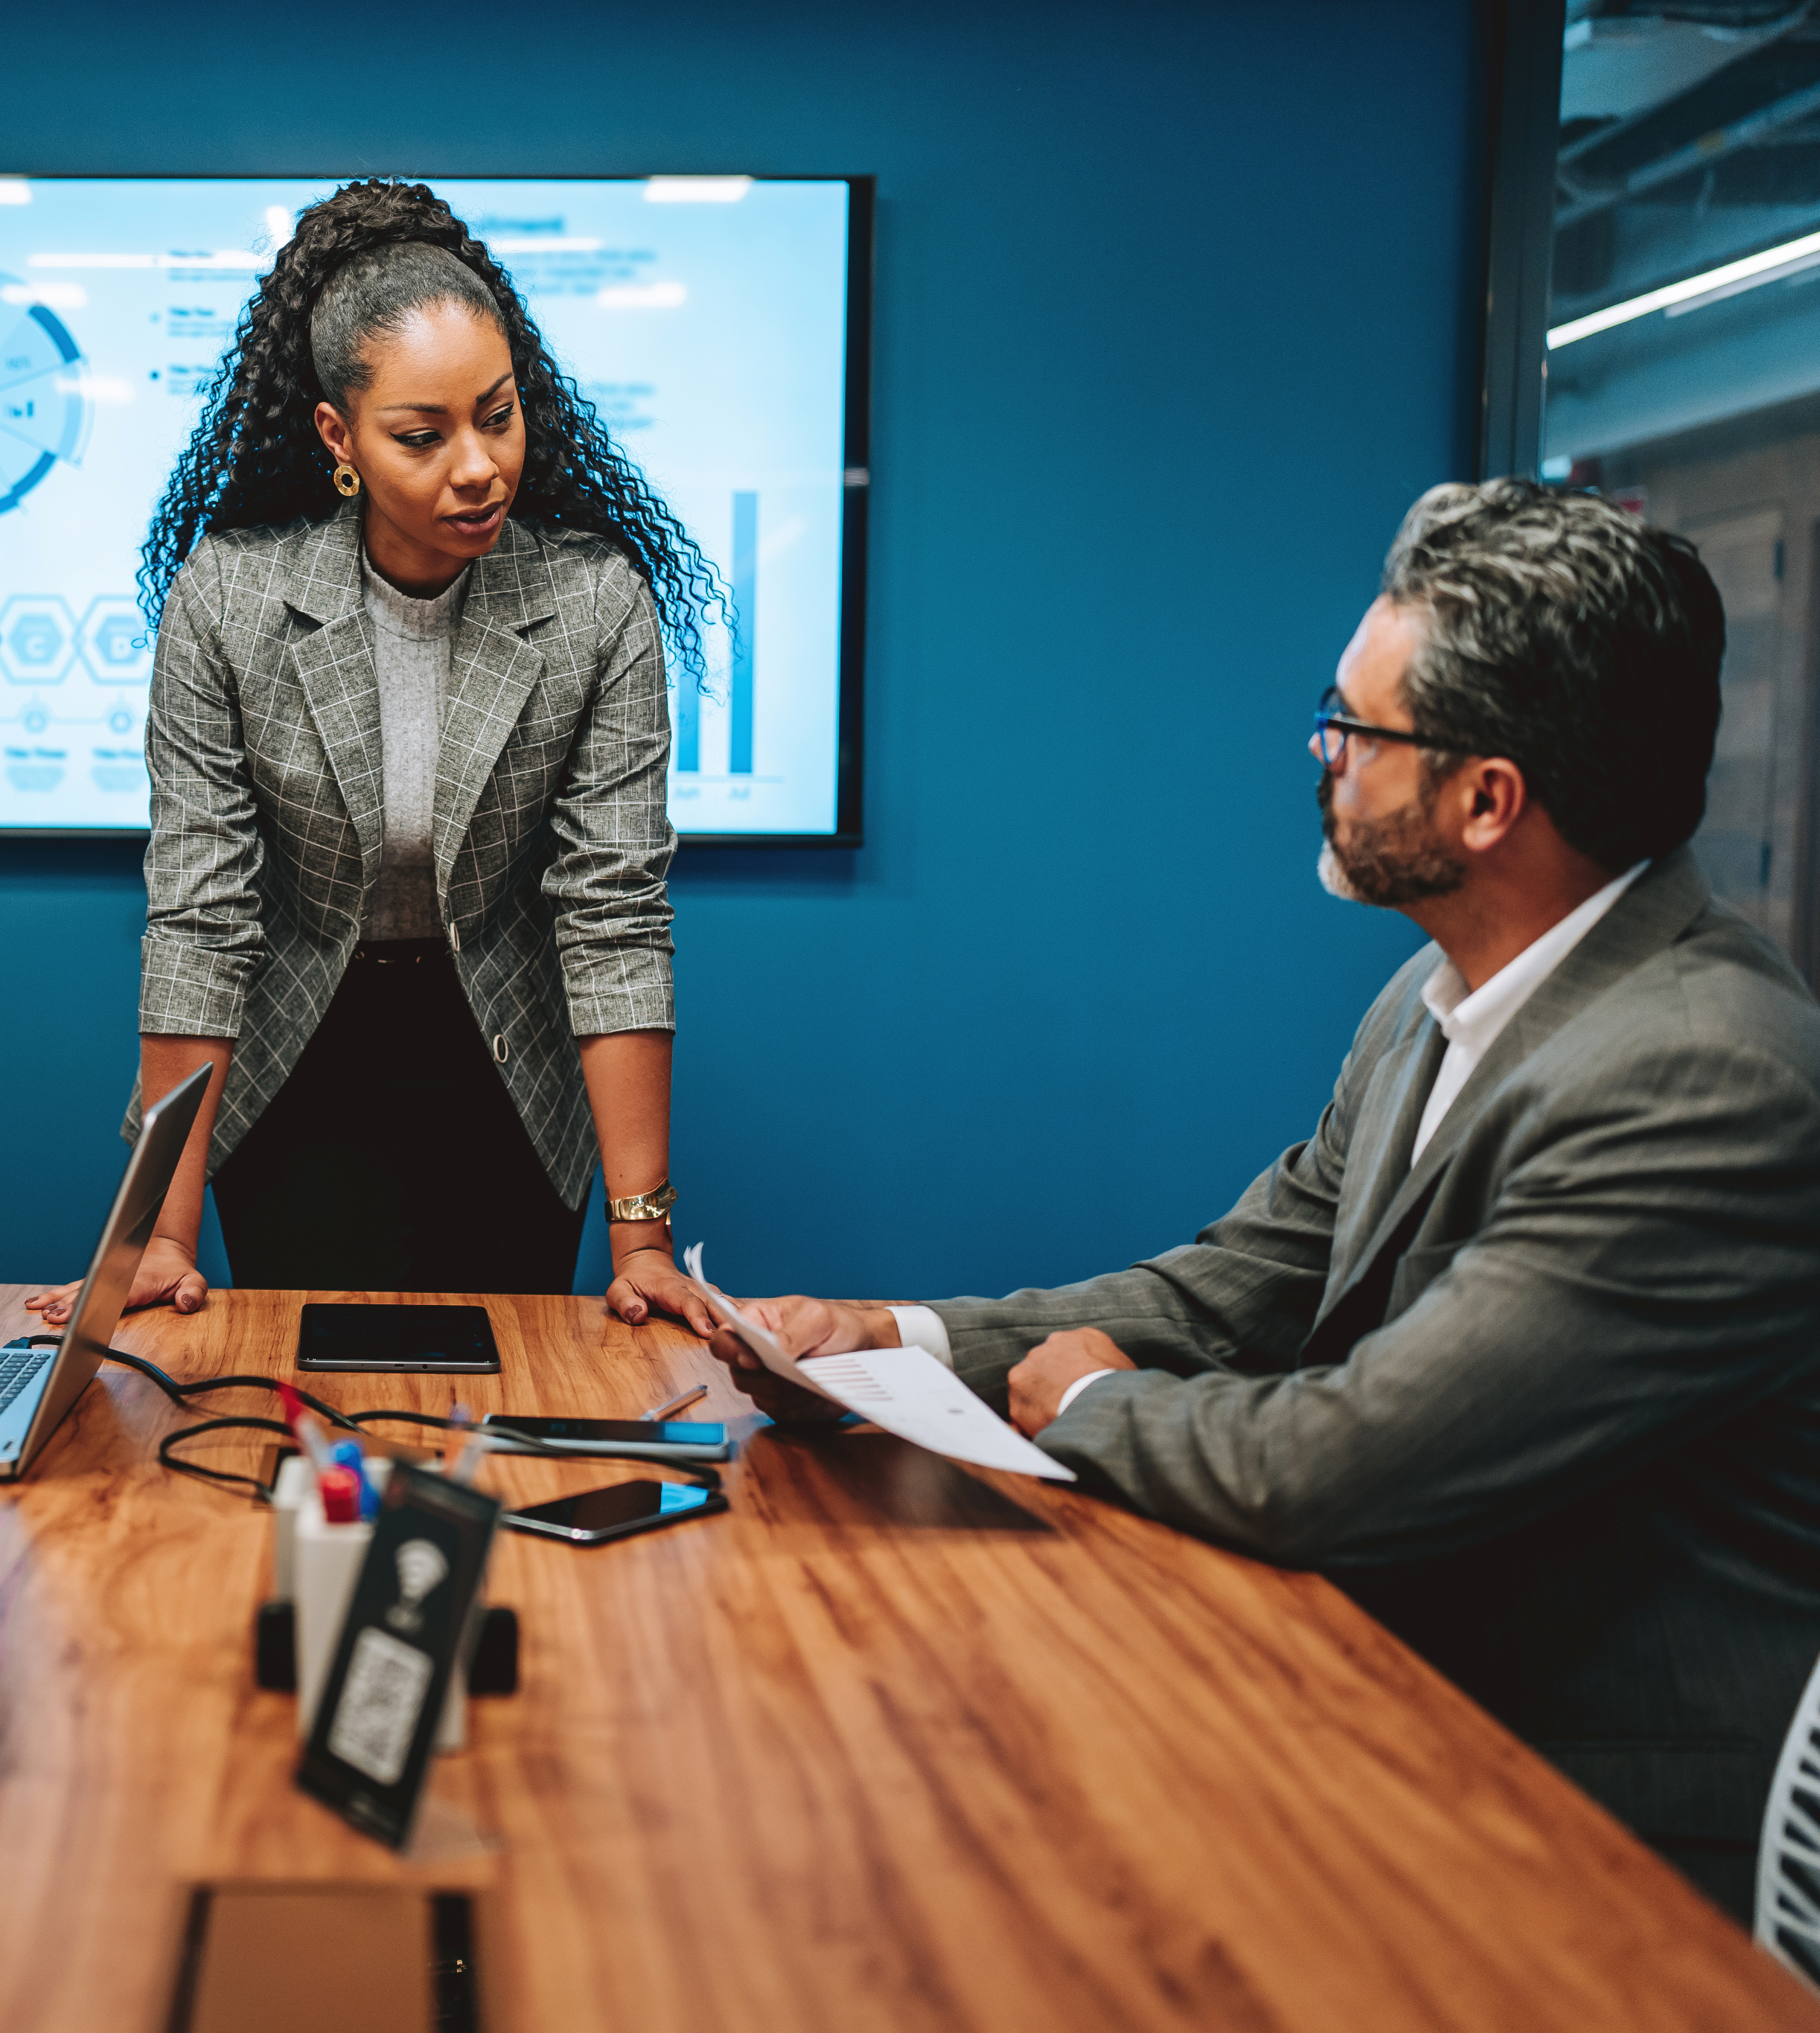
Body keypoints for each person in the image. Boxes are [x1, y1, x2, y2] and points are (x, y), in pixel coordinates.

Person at [710, 479, 1820, 1916]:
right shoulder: (1439, 1002)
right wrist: (899, 1342)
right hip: (1401, 1712)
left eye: (1358, 730)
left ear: (1488, 801)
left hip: (1601, 1836)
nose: (1323, 756)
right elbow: (1239, 1282)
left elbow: (1349, 1464)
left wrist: (1096, 1406)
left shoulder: (1698, 1078)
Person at [36, 179, 726, 1334]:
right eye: (423, 434)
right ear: (338, 437)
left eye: (497, 414)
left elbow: (611, 912)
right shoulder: (232, 599)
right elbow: (202, 917)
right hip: (300, 1056)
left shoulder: (596, 602)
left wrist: (642, 1234)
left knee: (500, 1411)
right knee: (311, 1404)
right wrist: (161, 1231)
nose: (478, 466)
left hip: (512, 1062)